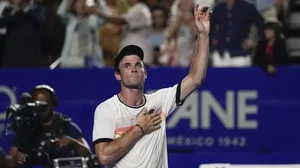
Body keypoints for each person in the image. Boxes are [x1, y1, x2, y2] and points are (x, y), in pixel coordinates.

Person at [92, 4, 211, 168]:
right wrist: (139, 129)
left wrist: (203, 34)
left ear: (145, 72)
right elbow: (104, 156)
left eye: (138, 65)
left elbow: (196, 77)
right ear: (117, 75)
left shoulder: (159, 101)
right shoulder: (107, 109)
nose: (134, 68)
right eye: (127, 66)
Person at [5, 85, 91, 168]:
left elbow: (88, 154)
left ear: (53, 103)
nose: (42, 111)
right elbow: (8, 161)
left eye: (44, 106)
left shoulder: (65, 126)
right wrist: (16, 158)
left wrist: (73, 143)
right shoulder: (28, 127)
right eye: (38, 107)